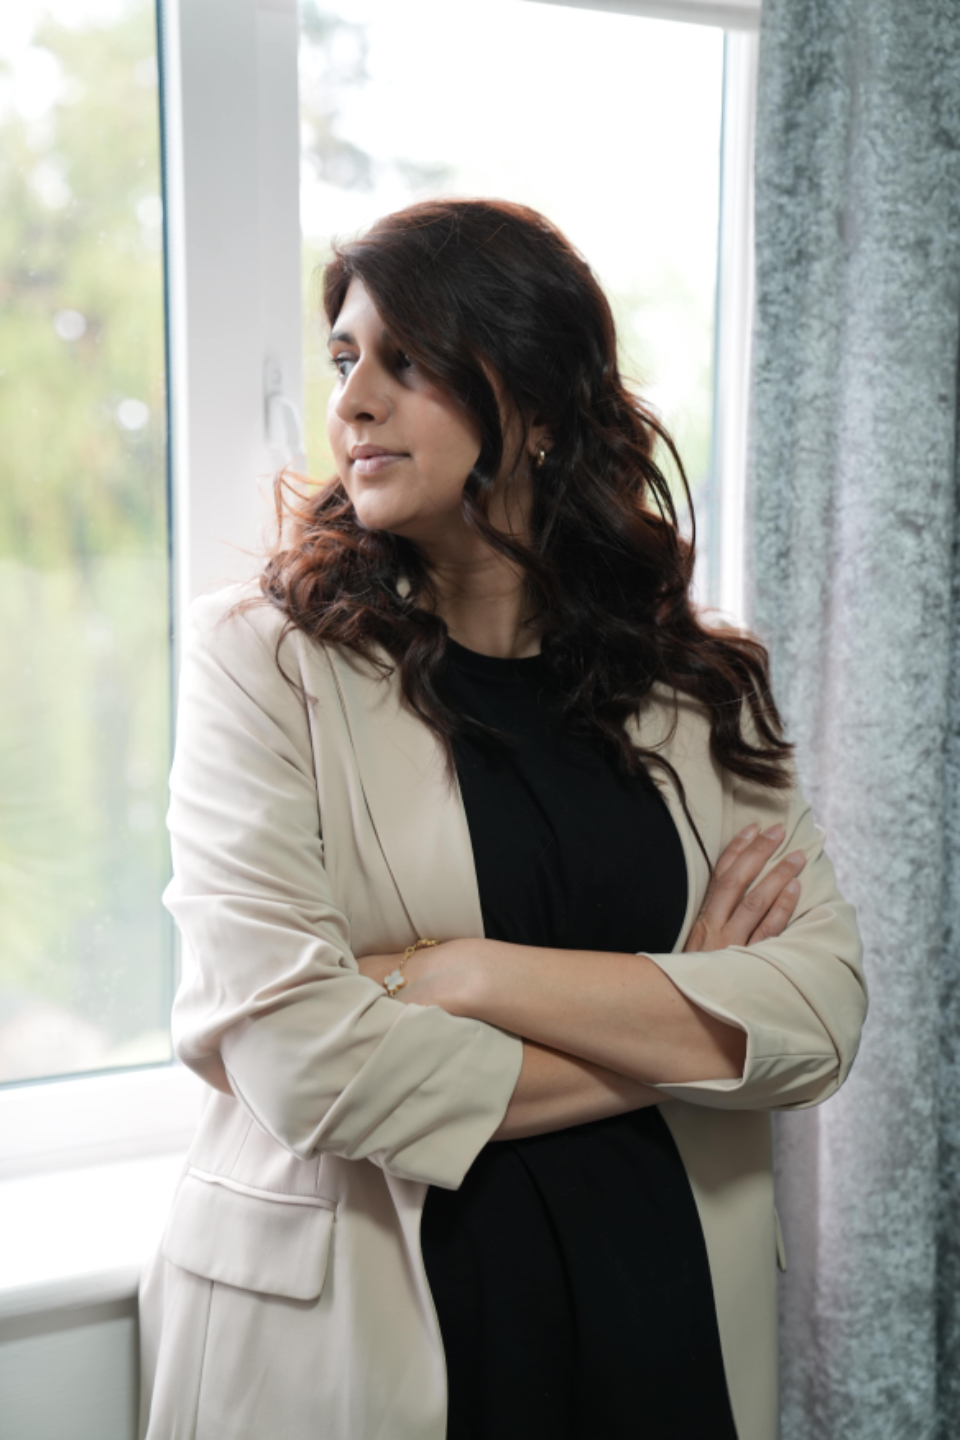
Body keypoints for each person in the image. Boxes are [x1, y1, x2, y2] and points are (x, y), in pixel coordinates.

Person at [139, 199, 866, 1440]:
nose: (352, 401)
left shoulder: (698, 682)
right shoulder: (261, 663)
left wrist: (472, 974)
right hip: (372, 1338)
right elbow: (309, 1063)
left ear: (535, 410)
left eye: (406, 360)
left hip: (663, 1320)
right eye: (343, 358)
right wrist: (683, 1018)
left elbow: (821, 1014)